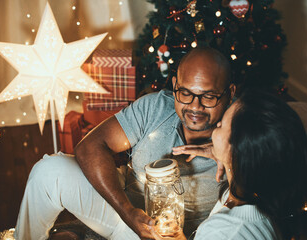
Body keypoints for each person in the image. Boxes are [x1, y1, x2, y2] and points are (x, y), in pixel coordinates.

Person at [14, 47, 236, 240]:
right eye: (186, 93)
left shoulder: (243, 129)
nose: (195, 107)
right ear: (175, 85)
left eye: (208, 96)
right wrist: (127, 211)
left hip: (180, 235)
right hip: (123, 216)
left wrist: (233, 154)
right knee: (48, 171)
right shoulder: (156, 107)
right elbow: (90, 146)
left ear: (230, 94)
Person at [150, 90, 307, 240]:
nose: (216, 126)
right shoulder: (262, 191)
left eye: (221, 125)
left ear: (239, 151)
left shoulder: (227, 232)